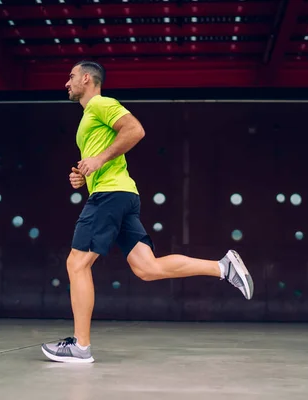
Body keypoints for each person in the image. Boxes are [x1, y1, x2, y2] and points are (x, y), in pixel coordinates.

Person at [41, 60, 254, 363]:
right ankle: (223, 267)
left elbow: (135, 130)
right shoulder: (89, 116)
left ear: (87, 79)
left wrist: (99, 161)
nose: (67, 83)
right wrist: (83, 175)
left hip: (110, 195)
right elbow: (98, 158)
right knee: (147, 268)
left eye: (71, 76)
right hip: (122, 194)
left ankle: (81, 346)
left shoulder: (101, 103)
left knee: (77, 263)